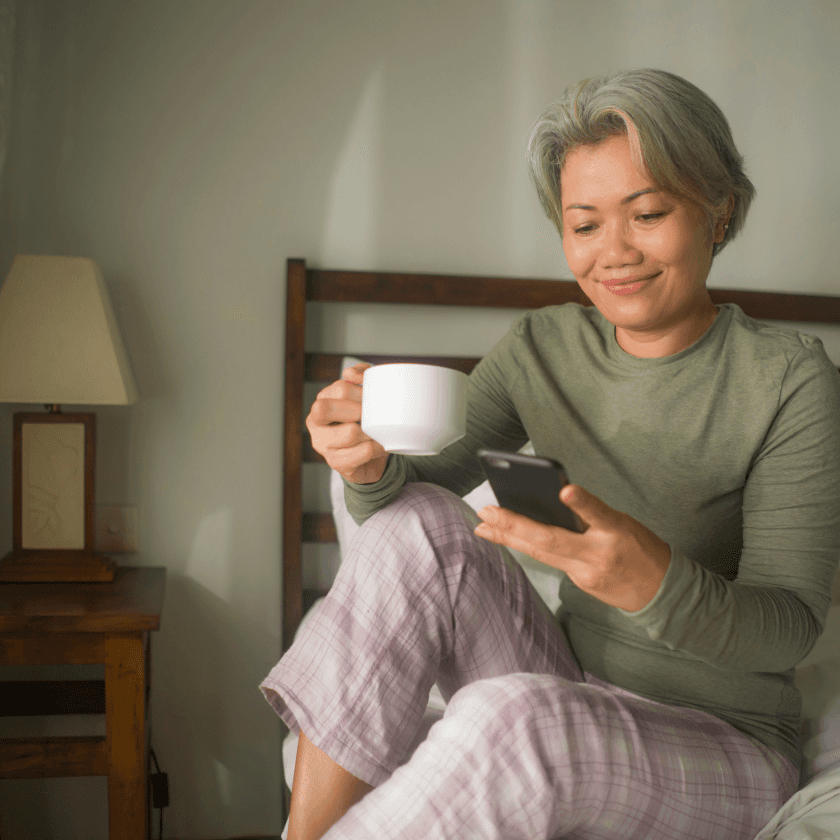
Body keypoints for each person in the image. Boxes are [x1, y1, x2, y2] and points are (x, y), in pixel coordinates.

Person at [261, 68, 840, 839]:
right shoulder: (542, 347)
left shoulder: (791, 378)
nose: (616, 253)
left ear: (719, 210)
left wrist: (651, 581)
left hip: (724, 741)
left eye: (649, 213)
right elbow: (404, 523)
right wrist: (367, 469)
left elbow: (793, 625)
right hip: (573, 678)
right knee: (421, 522)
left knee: (518, 716)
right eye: (585, 223)